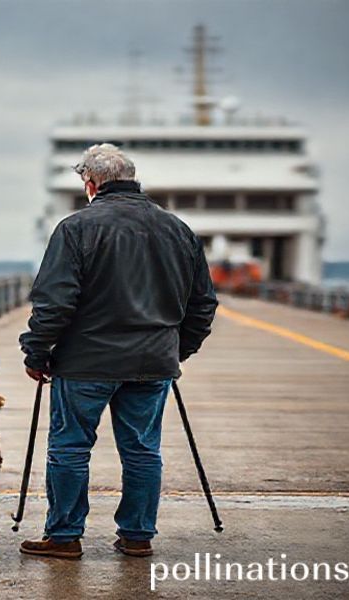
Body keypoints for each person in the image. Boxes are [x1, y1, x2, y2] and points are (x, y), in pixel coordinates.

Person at [18, 143, 217, 559]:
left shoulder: (76, 228)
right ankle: (137, 536)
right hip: (152, 361)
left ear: (90, 184)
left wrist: (36, 352)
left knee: (70, 447)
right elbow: (202, 304)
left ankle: (65, 536)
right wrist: (176, 350)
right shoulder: (178, 230)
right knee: (142, 449)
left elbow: (55, 302)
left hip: (85, 361)